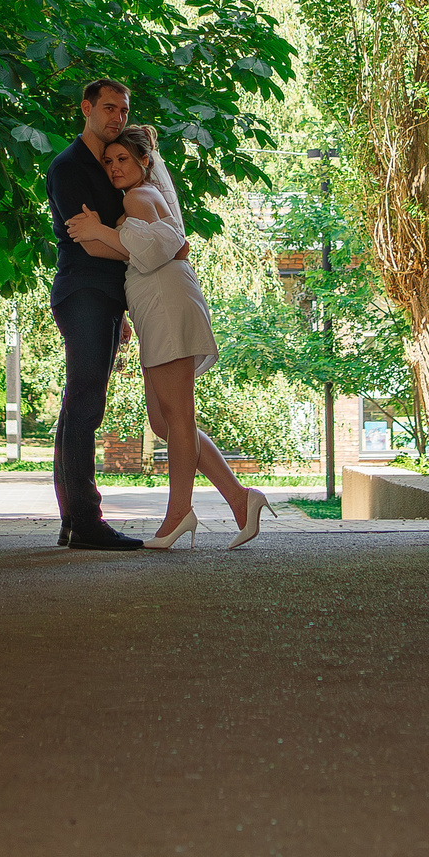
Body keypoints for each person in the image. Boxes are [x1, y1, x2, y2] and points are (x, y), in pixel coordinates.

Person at [64, 125, 272, 550]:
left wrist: (100, 230)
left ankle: (179, 514)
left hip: (166, 301)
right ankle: (240, 498)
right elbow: (136, 249)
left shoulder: (137, 197)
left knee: (178, 416)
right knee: (164, 420)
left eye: (124, 159)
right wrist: (98, 236)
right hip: (153, 304)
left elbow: (171, 245)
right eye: (109, 160)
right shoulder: (138, 200)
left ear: (145, 162)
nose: (115, 166)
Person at [44, 78, 148, 549]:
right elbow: (86, 241)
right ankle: (86, 520)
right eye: (108, 108)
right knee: (84, 406)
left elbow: (104, 234)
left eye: (124, 111)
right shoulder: (69, 167)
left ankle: (74, 519)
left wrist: (118, 308)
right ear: (86, 108)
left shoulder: (109, 164)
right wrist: (141, 250)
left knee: (81, 406)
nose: (117, 119)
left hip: (101, 296)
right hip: (81, 291)